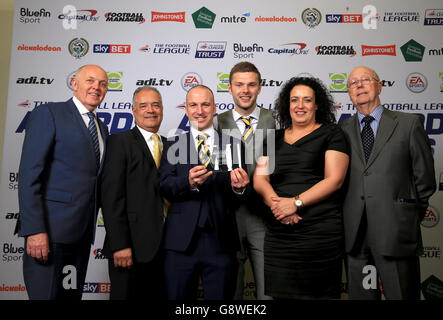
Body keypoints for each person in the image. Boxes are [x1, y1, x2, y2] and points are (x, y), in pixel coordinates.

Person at [340, 66, 436, 300]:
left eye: (365, 80)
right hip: (356, 237)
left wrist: (406, 214)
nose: (359, 85)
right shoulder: (341, 130)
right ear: (349, 93)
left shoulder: (408, 123)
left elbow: (424, 179)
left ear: (379, 85)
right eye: (353, 83)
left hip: (395, 232)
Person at [17, 64, 109, 299]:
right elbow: (30, 175)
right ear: (74, 83)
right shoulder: (49, 113)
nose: (96, 87)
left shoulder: (102, 128)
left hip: (81, 236)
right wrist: (35, 230)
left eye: (102, 84)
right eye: (90, 81)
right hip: (49, 234)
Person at [253, 76, 349, 299]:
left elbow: (334, 180)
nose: (300, 105)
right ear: (287, 105)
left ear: (317, 104)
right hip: (280, 233)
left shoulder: (332, 134)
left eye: (307, 100)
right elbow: (260, 179)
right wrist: (280, 207)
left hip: (319, 231)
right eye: (294, 100)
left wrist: (295, 203)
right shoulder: (273, 138)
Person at [159, 85, 250, 300]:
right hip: (180, 243)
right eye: (193, 105)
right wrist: (187, 182)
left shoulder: (234, 144)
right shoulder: (173, 144)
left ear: (214, 108)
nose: (199, 110)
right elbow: (164, 185)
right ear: (186, 109)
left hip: (221, 241)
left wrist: (240, 188)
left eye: (205, 104)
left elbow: (243, 195)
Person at [215, 61, 274, 300]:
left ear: (260, 87)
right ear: (229, 88)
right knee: (230, 288)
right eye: (239, 85)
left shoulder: (276, 119)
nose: (245, 90)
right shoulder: (216, 122)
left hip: (264, 214)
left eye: (251, 85)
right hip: (229, 215)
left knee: (268, 289)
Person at [100, 86, 166, 300]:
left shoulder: (171, 145)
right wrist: (120, 245)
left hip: (163, 248)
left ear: (162, 109)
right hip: (129, 248)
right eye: (144, 105)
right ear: (133, 110)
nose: (151, 110)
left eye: (155, 105)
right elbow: (111, 197)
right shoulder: (119, 142)